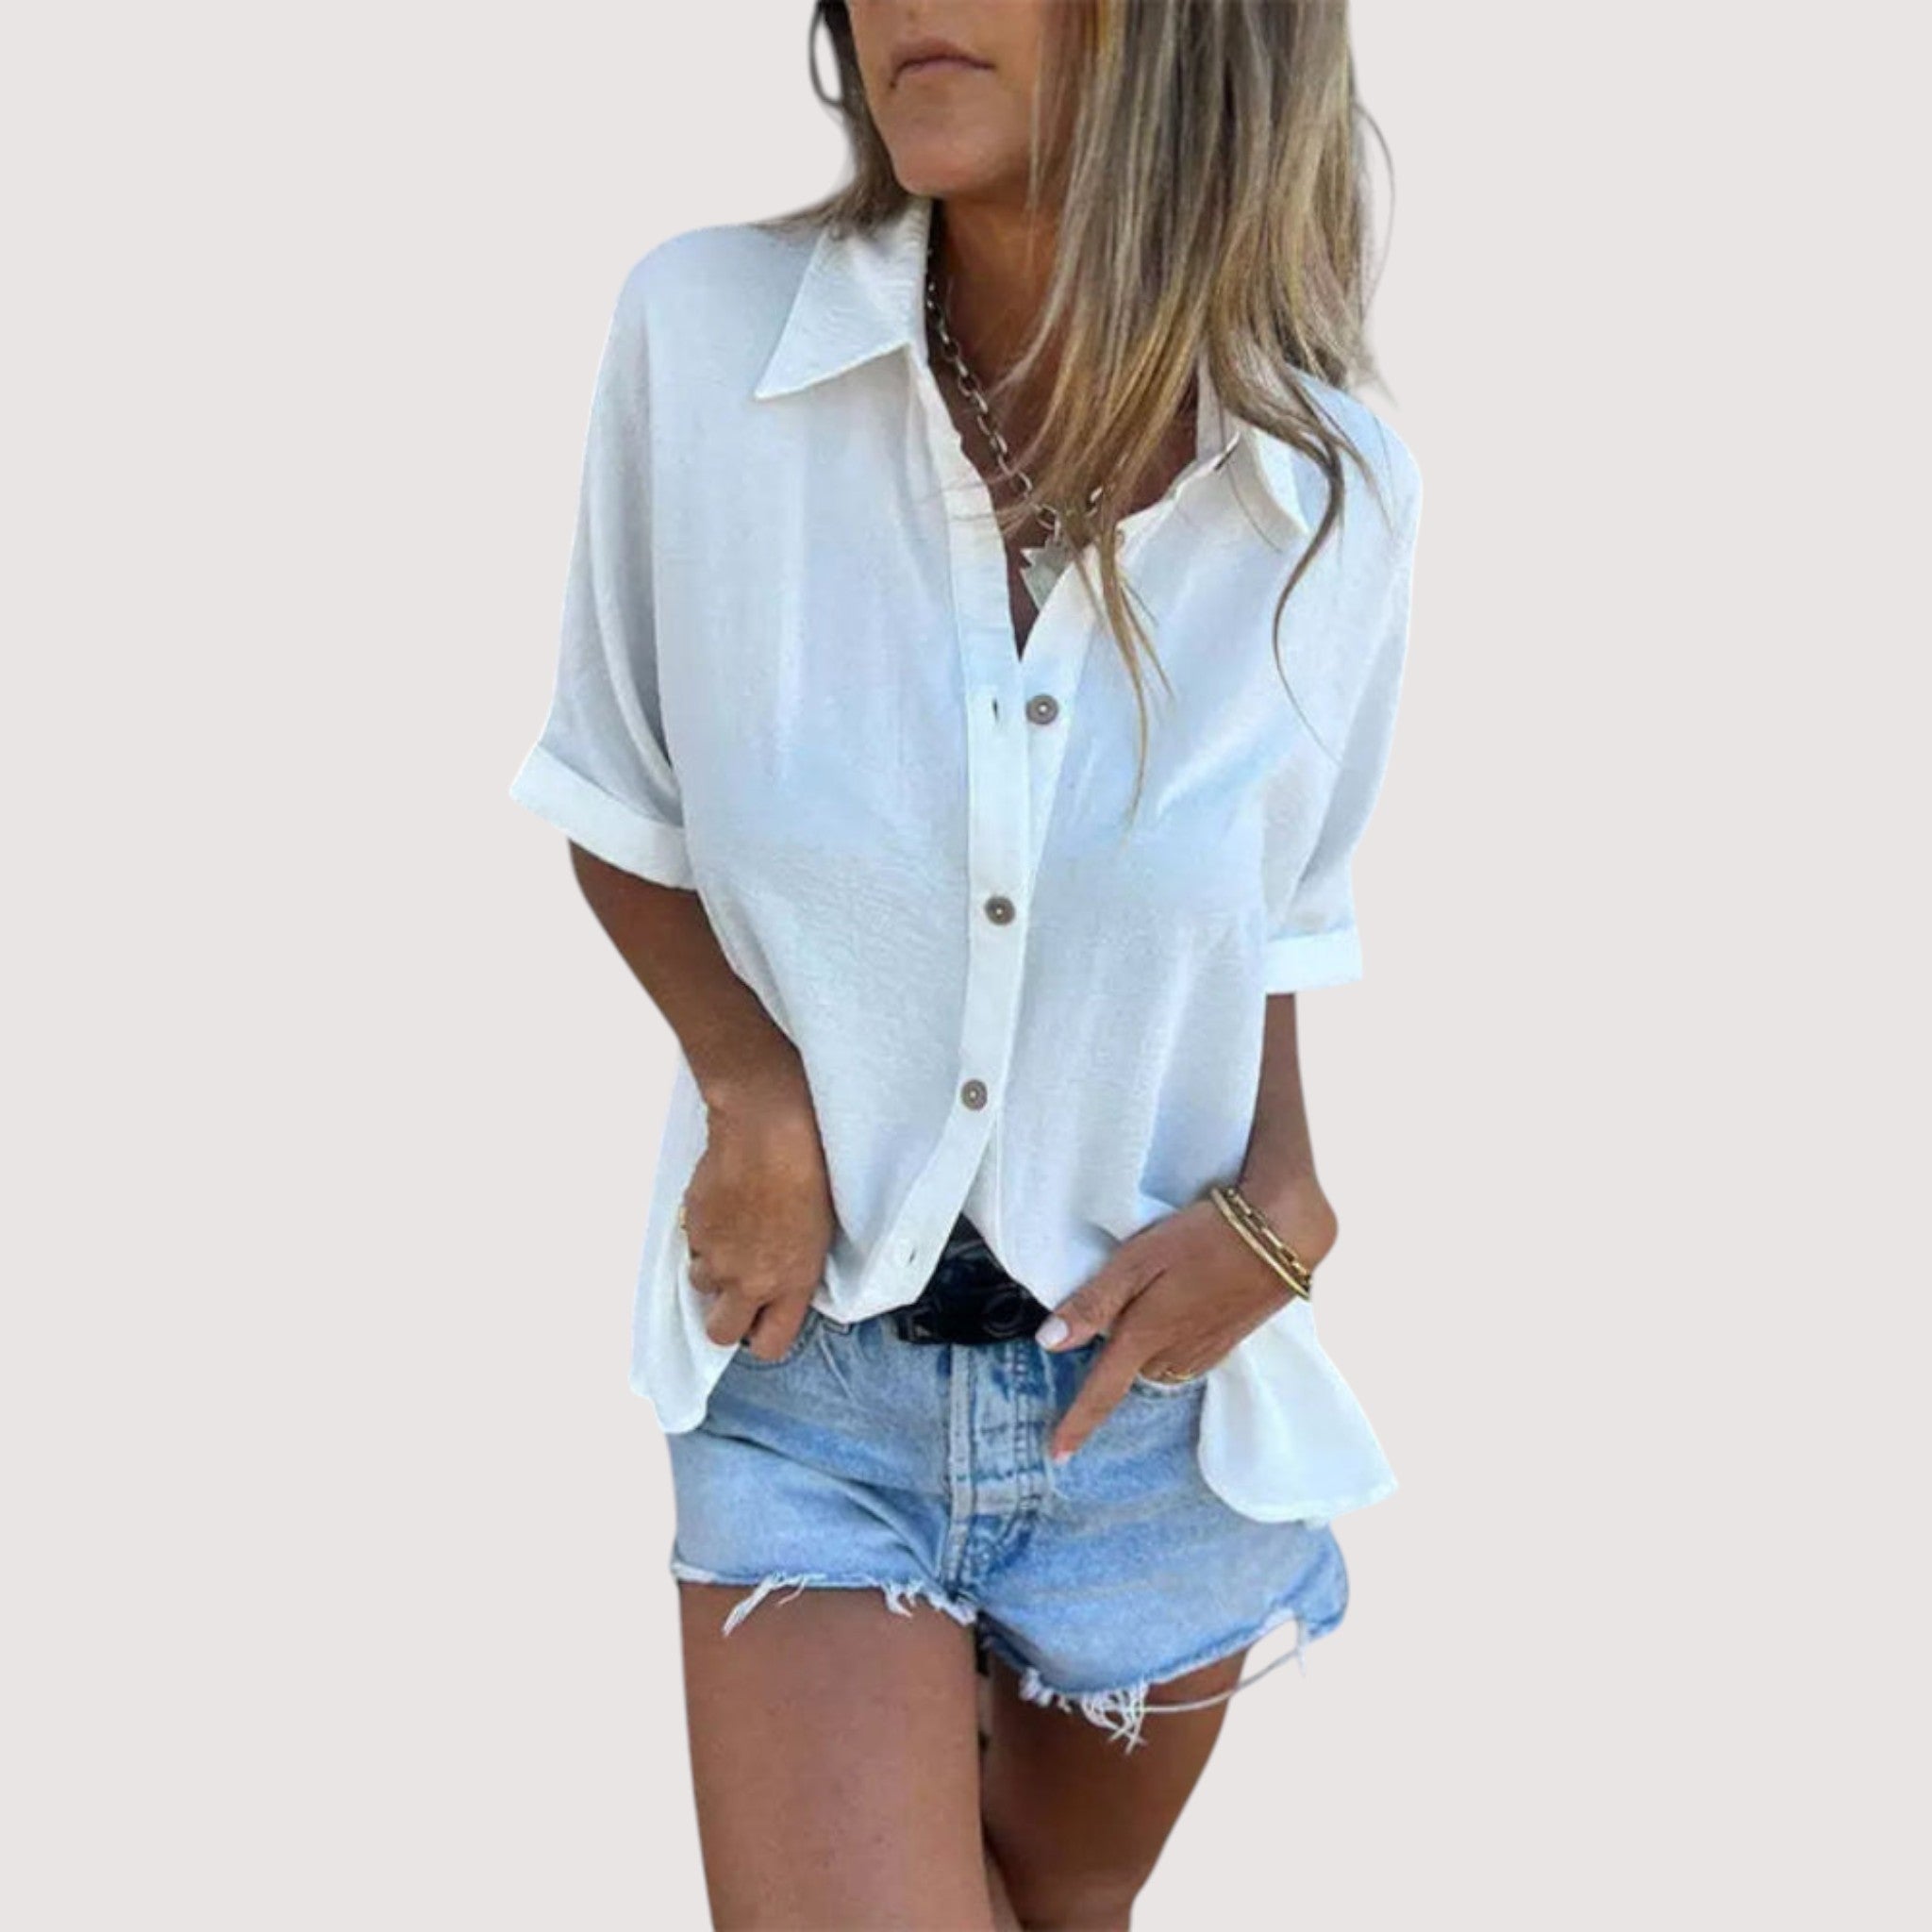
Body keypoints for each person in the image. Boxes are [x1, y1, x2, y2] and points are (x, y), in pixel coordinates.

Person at [508, 2, 1422, 1924]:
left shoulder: (1329, 485)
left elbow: (1267, 921)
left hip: (1154, 1408)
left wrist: (1286, 1199)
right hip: (813, 1383)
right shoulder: (705, 341)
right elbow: (617, 797)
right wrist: (749, 1088)